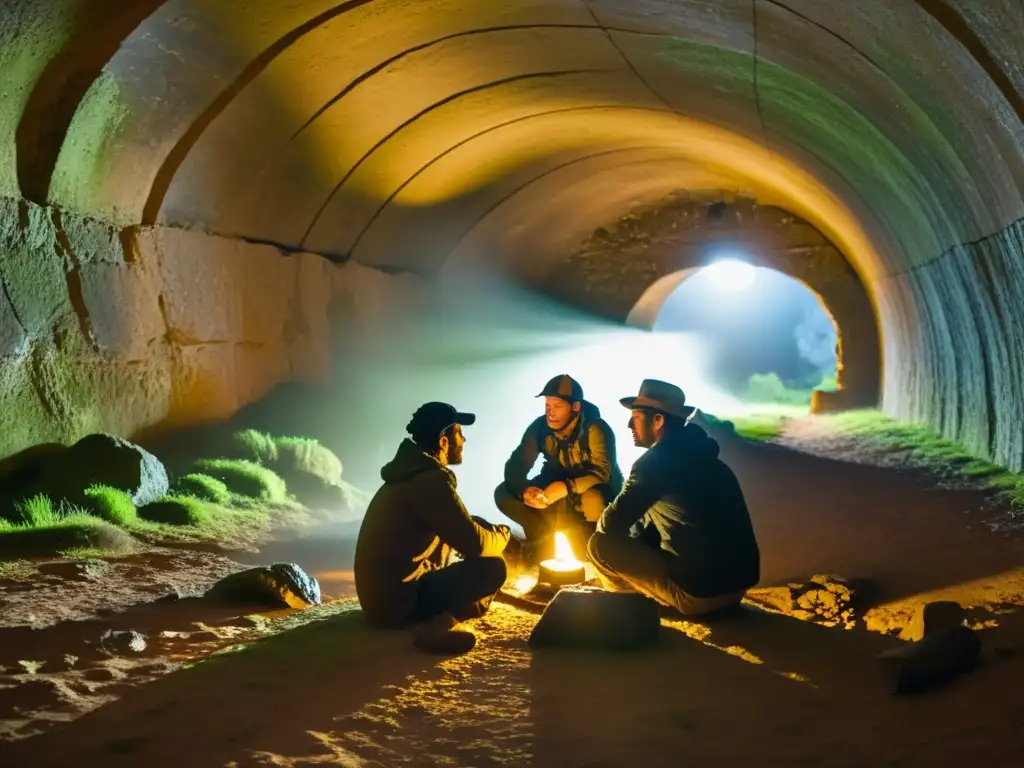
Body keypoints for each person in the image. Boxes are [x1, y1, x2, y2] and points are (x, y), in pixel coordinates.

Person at [587, 379, 760, 617]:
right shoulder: (710, 461)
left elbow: (610, 525)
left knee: (600, 545)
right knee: (648, 521)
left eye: (636, 417)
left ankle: (626, 610)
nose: (629, 424)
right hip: (736, 589)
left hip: (700, 595)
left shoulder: (656, 462)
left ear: (658, 420)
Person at [354, 401, 512, 654]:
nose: (464, 441)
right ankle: (437, 627)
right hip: (399, 604)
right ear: (443, 442)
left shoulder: (411, 475)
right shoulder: (430, 481)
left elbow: (456, 524)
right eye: (459, 433)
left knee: (479, 532)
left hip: (381, 601)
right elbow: (475, 543)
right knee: (493, 567)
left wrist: (481, 529)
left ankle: (457, 610)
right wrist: (503, 535)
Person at [494, 374, 623, 561]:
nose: (550, 412)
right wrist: (524, 490)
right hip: (554, 486)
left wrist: (567, 487)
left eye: (558, 406)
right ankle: (541, 541)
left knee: (593, 500)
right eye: (548, 406)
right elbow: (517, 464)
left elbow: (602, 472)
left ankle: (595, 553)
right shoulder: (540, 427)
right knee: (504, 492)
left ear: (575, 407)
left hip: (591, 491)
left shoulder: (595, 429)